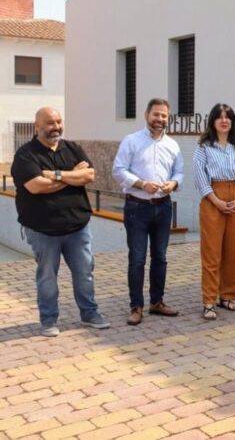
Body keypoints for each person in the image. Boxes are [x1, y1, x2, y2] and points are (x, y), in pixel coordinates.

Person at [11, 107, 111, 337]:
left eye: (58, 121)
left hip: (78, 226)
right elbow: (36, 186)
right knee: (47, 276)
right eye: (49, 123)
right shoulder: (25, 155)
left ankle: (89, 314)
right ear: (37, 126)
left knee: (85, 272)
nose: (55, 127)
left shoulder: (72, 148)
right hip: (42, 229)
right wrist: (71, 176)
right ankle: (48, 320)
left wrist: (55, 175)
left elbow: (89, 175)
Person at [112, 98, 184, 326]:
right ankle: (136, 306)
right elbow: (118, 170)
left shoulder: (173, 145)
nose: (160, 119)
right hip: (137, 208)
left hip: (163, 207)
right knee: (137, 259)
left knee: (160, 257)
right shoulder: (131, 141)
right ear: (146, 115)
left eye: (164, 116)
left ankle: (157, 302)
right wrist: (142, 184)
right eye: (156, 115)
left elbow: (179, 172)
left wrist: (173, 184)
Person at [193, 103, 235, 320]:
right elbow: (199, 177)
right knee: (212, 253)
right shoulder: (204, 147)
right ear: (213, 121)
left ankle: (227, 295)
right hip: (212, 198)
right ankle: (209, 300)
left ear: (232, 122)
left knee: (233, 251)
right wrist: (216, 201)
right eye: (219, 117)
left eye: (228, 117)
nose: (224, 120)